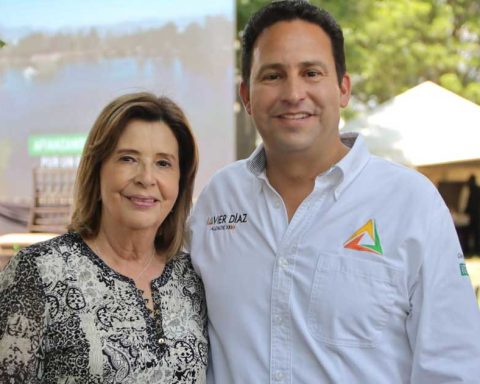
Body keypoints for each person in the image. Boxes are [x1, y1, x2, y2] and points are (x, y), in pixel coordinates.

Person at [187, 1, 480, 383]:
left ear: (343, 88)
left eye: (311, 72)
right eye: (273, 75)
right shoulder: (217, 201)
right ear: (246, 95)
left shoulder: (411, 203)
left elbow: (453, 367)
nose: (293, 93)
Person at [0, 92, 208, 383]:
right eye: (128, 158)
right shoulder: (37, 273)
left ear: (180, 181)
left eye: (163, 163)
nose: (146, 178)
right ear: (96, 171)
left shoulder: (193, 278)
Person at [465, 174, 480, 254]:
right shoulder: (477, 189)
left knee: (470, 233)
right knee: (476, 234)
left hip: (472, 215)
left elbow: (468, 202)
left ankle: (470, 250)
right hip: (476, 215)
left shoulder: (470, 189)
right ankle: (476, 250)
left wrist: (465, 211)